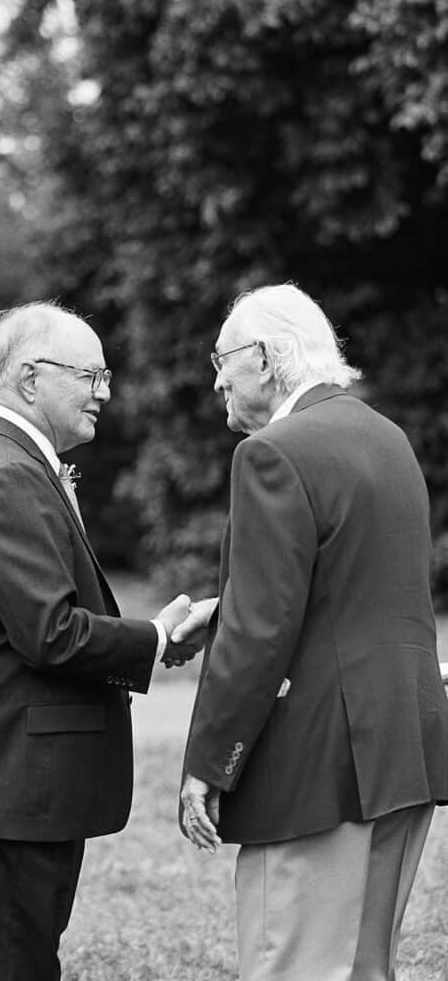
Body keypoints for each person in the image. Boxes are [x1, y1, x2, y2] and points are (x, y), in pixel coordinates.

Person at [0, 301, 202, 981]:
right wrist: (154, 639)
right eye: (89, 375)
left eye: (105, 375)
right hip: (2, 794)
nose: (103, 391)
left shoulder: (3, 460)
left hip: (3, 794)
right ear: (31, 379)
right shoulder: (6, 474)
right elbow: (51, 633)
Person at [173, 283, 448, 980]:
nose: (216, 380)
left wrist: (209, 765)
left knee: (290, 969)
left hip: (319, 766)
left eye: (221, 360)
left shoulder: (271, 453)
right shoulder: (387, 440)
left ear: (262, 359)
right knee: (364, 970)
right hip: (404, 752)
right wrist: (226, 607)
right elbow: (355, 593)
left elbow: (261, 631)